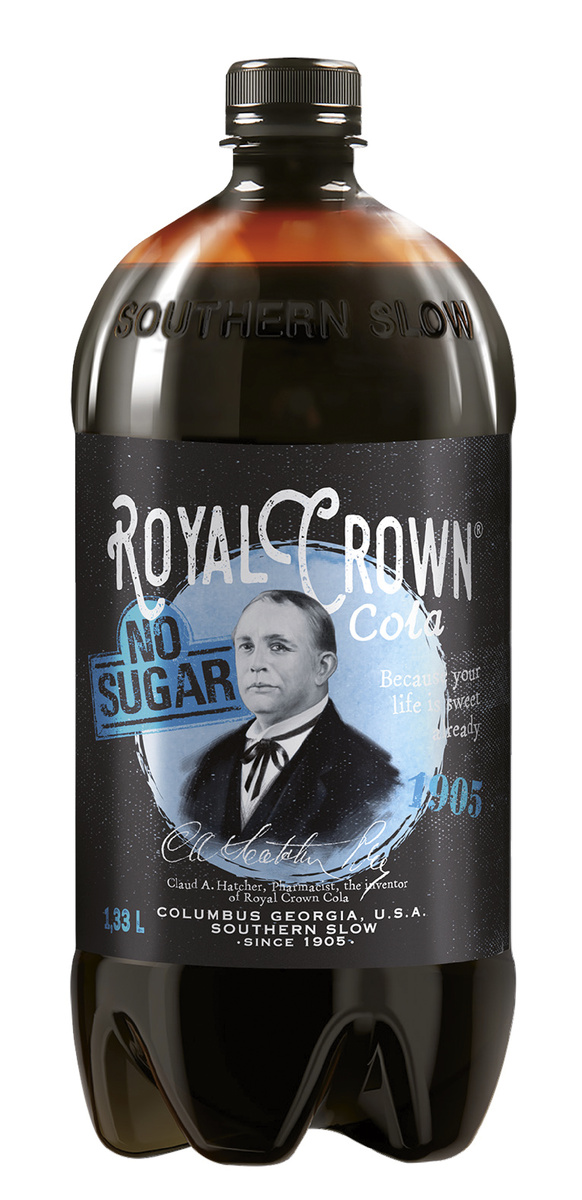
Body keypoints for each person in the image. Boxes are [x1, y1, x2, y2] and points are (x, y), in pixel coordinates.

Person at [182, 589, 399, 847]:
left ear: (323, 667)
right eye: (247, 646)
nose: (256, 664)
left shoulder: (372, 777)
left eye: (278, 647)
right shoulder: (213, 762)